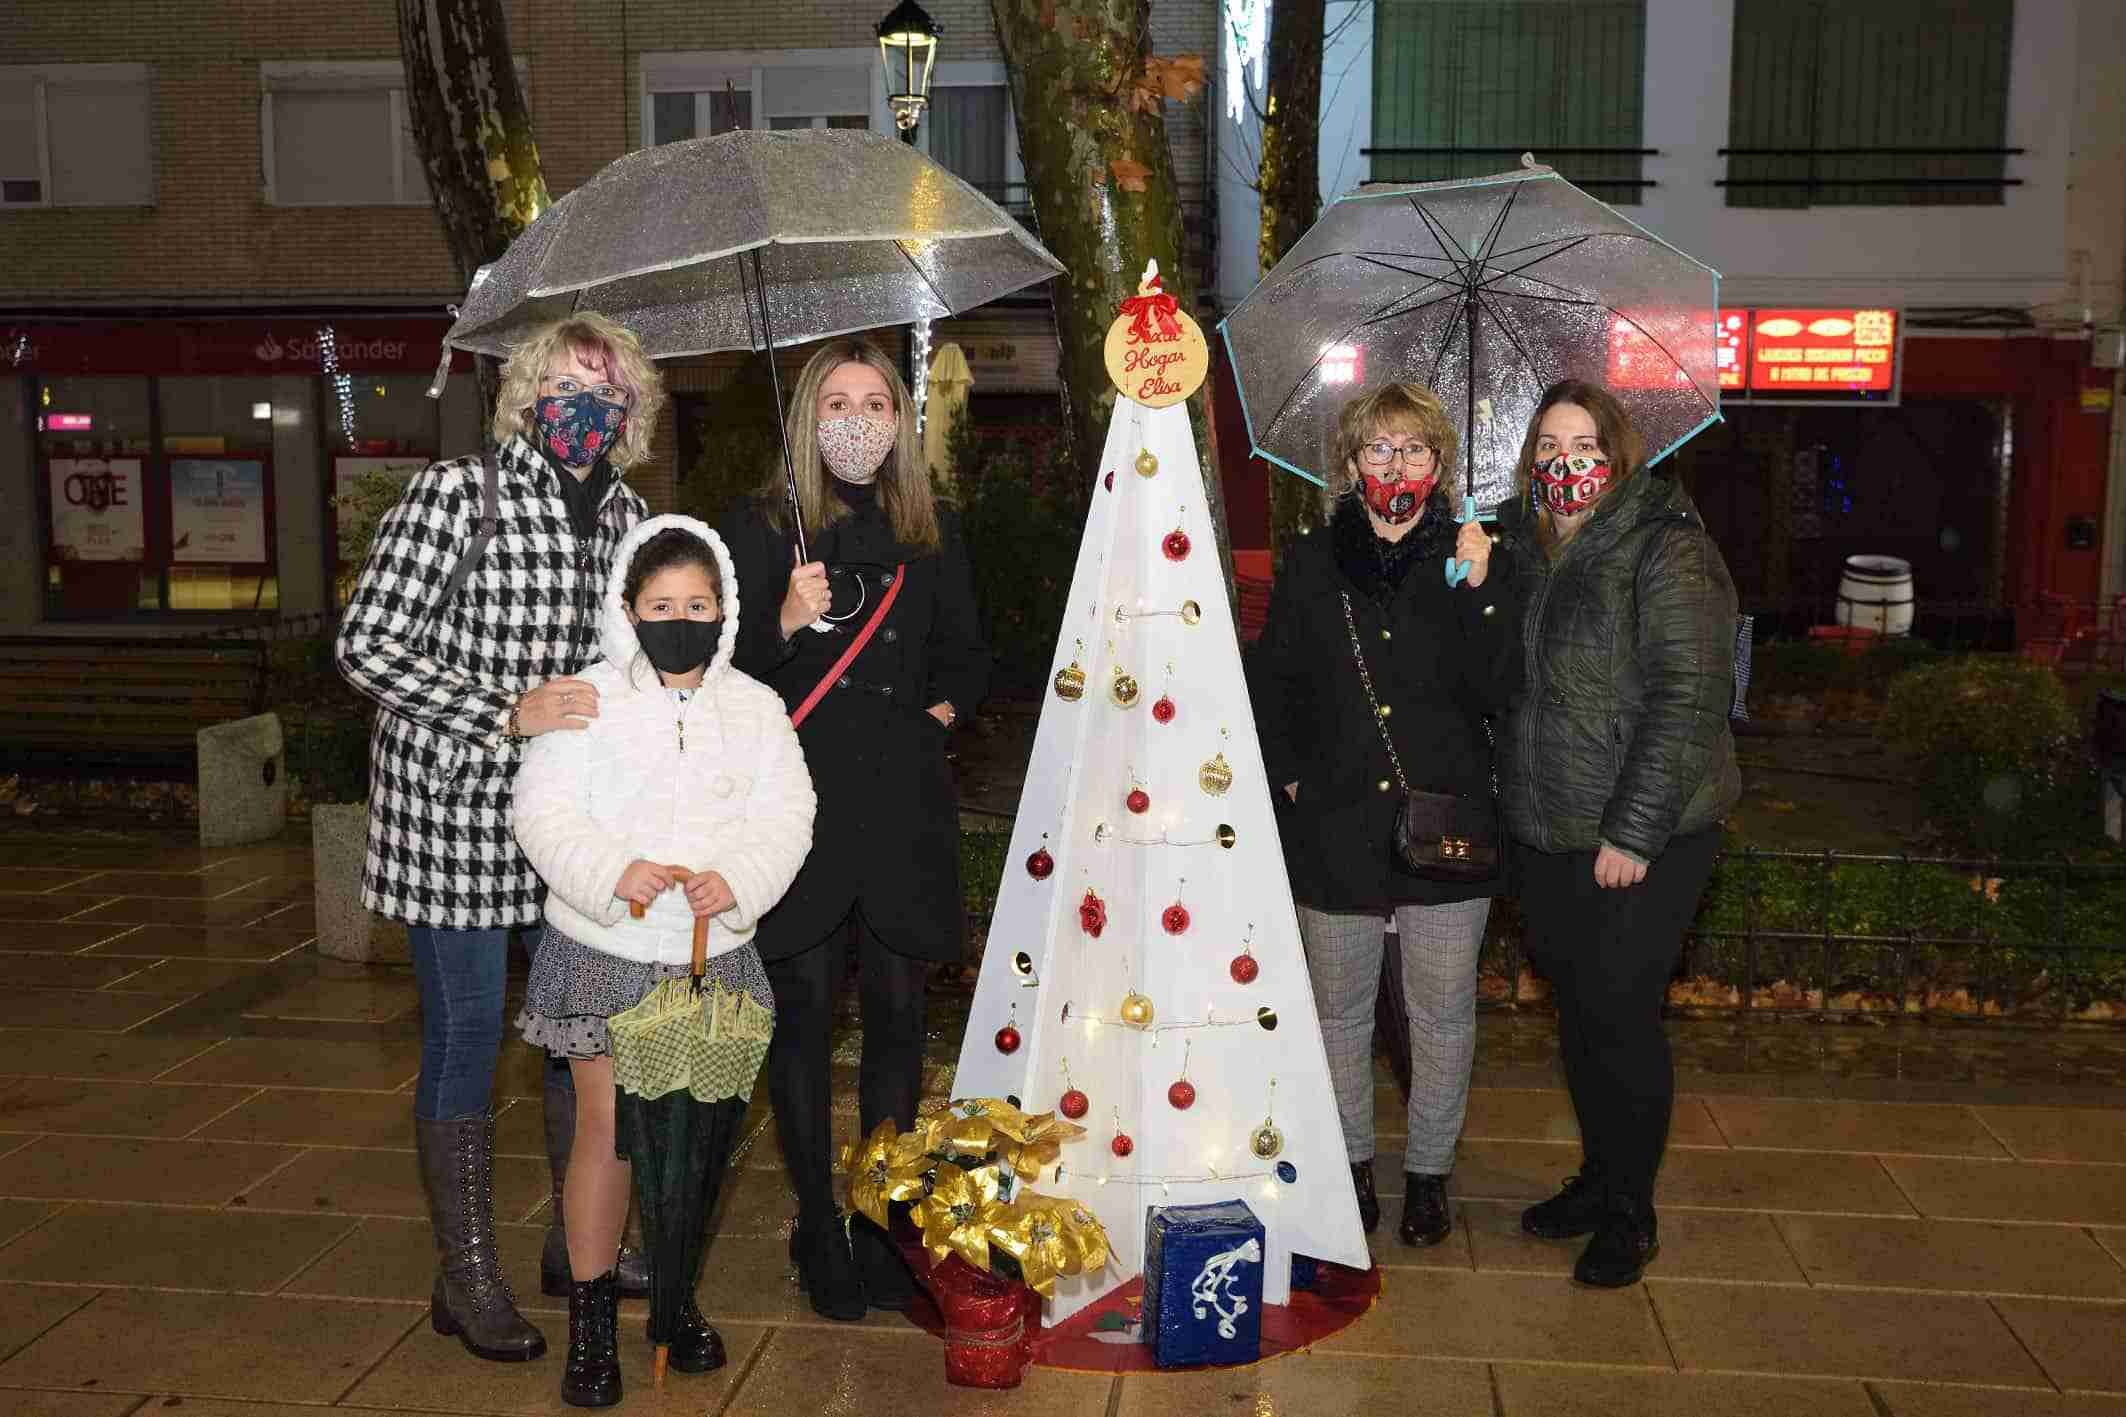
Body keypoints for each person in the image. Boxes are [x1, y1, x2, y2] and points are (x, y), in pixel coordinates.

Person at [336, 314, 663, 1363]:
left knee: (579, 1040)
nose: (588, 407)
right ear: (528, 392)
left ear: (632, 411)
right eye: (569, 384)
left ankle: (578, 1247)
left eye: (608, 391)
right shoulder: (456, 495)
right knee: (470, 1037)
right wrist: (501, 710)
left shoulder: (632, 518)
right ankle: (465, 1275)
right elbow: (365, 644)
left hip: (569, 828)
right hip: (456, 819)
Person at [512, 515, 814, 1407]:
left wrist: (742, 879)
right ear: (628, 609)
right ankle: (594, 1321)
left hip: (711, 955)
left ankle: (676, 1300)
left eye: (698, 602)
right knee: (611, 1132)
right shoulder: (587, 700)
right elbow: (545, 810)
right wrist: (615, 873)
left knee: (696, 1143)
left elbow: (787, 813)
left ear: (723, 609)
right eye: (660, 603)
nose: (680, 617)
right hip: (608, 948)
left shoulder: (754, 706)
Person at [719, 338, 989, 1321]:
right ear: (805, 416)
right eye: (836, 400)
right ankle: (811, 1223)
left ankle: (882, 1223)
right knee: (798, 1024)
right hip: (795, 809)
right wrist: (781, 621)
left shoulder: (932, 529)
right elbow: (712, 676)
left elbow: (969, 656)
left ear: (899, 419)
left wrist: (937, 721)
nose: (857, 418)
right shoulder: (756, 529)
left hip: (900, 807)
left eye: (875, 401)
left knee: (895, 1023)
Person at [1250, 381, 1517, 1250]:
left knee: (1442, 1014)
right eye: (1377, 448)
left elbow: (1502, 689)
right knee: (1338, 1013)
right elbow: (1275, 682)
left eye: (1412, 449)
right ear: (1351, 462)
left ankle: (1431, 1175)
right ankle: (1353, 1167)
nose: (1394, 466)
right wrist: (1289, 779)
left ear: (1439, 465)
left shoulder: (1477, 557)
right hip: (1335, 826)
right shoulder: (1309, 561)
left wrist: (1480, 588)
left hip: (1448, 825)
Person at [1496, 379, 1740, 1288]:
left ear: (1620, 452)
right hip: (1549, 826)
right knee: (1582, 1016)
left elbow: (1689, 697)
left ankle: (1631, 1210)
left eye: (1585, 442)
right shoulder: (1523, 544)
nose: (1567, 462)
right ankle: (1598, 1181)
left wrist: (1632, 833)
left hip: (1649, 833)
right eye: (1548, 446)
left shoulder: (1668, 549)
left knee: (1623, 1018)